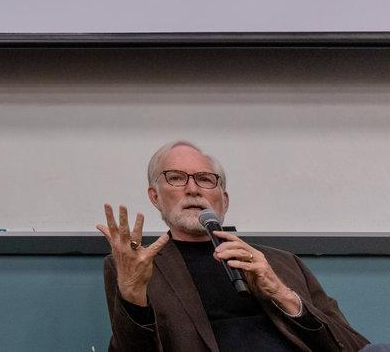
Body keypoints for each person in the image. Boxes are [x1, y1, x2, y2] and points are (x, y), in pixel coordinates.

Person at [97, 139, 369, 351]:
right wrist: (132, 299)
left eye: (205, 179)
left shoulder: (284, 263)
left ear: (223, 200)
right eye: (177, 178)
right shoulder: (137, 267)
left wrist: (282, 294)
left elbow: (357, 347)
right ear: (155, 197)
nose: (193, 189)